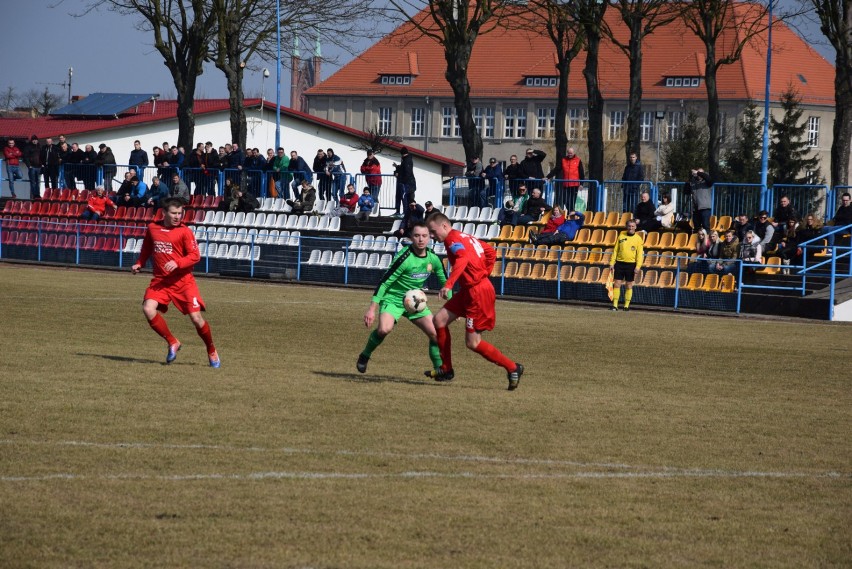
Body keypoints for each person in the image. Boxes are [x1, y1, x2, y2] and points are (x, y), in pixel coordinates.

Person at [425, 213, 523, 390]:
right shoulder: (465, 236)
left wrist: (448, 285)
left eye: (433, 231)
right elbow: (490, 251)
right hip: (470, 289)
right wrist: (484, 273)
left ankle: (513, 367)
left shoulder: (451, 240)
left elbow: (462, 259)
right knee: (439, 320)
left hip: (478, 292)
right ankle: (446, 369)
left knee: (473, 342)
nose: (432, 236)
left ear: (444, 226)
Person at [131, 197, 220, 368]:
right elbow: (147, 248)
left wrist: (177, 263)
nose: (178, 216)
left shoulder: (185, 231)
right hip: (161, 281)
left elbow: (195, 256)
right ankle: (173, 342)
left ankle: (211, 349)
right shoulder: (153, 228)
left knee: (196, 318)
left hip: (184, 282)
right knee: (148, 309)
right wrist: (140, 263)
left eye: (180, 213)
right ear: (163, 213)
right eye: (174, 213)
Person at [357, 222, 448, 375]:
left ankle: (440, 369)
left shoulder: (433, 259)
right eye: (417, 236)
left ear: (430, 238)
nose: (421, 239)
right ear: (411, 237)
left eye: (424, 236)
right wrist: (372, 309)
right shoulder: (404, 258)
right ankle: (365, 355)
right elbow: (385, 282)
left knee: (436, 333)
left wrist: (453, 304)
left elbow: (446, 283)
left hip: (415, 302)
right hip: (393, 299)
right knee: (384, 330)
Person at [609, 218, 644, 311]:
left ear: (635, 227)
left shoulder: (638, 239)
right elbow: (615, 250)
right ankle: (615, 305)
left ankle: (626, 306)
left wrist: (638, 267)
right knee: (617, 284)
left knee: (629, 285)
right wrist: (612, 263)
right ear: (626, 226)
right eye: (629, 226)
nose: (631, 228)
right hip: (620, 263)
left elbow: (640, 255)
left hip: (631, 265)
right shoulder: (621, 235)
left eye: (633, 226)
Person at [684, 167, 713, 232]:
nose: (699, 175)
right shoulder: (693, 182)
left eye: (701, 173)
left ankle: (707, 241)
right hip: (696, 208)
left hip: (705, 208)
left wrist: (698, 172)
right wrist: (689, 179)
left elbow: (709, 179)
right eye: (698, 173)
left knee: (706, 226)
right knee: (696, 227)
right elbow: (686, 192)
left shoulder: (707, 182)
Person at [393, 147, 416, 216]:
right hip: (405, 182)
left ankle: (405, 212)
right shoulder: (405, 160)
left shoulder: (407, 160)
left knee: (405, 198)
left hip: (407, 183)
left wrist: (403, 180)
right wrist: (397, 168)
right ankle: (399, 212)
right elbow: (403, 169)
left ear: (402, 154)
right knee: (400, 197)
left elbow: (407, 172)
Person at [23, 135, 42, 199]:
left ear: (37, 140)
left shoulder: (39, 146)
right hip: (32, 167)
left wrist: (42, 164)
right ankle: (34, 195)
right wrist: (29, 165)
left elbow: (42, 156)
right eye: (33, 140)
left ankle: (38, 194)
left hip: (39, 167)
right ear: (32, 140)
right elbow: (25, 157)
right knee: (33, 182)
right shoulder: (28, 147)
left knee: (38, 181)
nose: (35, 141)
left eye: (36, 140)